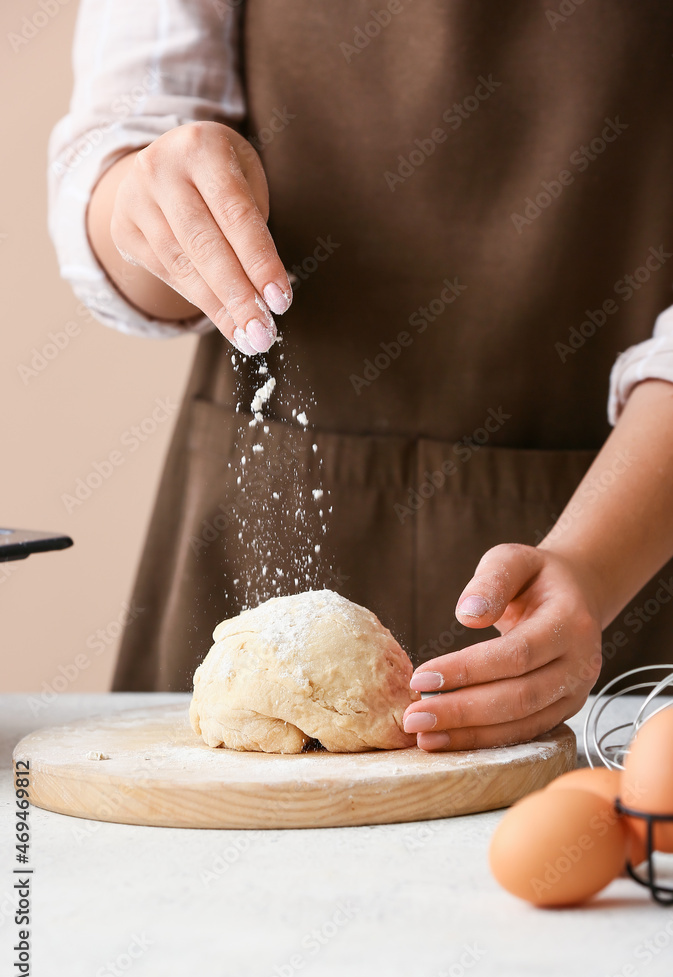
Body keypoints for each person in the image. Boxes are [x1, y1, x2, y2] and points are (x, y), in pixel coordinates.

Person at [48, 0, 673, 751]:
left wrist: (590, 567)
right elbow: (121, 144)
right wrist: (144, 194)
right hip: (269, 496)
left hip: (630, 529)